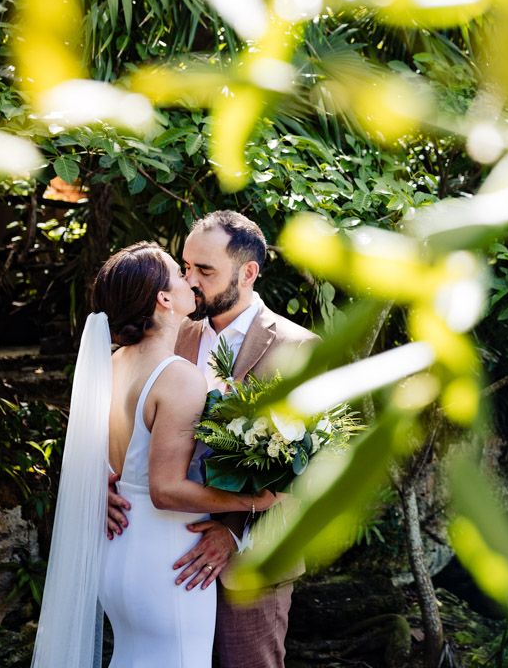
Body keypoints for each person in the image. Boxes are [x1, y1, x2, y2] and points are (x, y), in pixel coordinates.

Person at [31, 242, 279, 668]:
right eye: (180, 274)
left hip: (119, 549)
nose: (190, 281)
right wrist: (255, 500)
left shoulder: (112, 364)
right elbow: (165, 490)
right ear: (164, 299)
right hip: (169, 561)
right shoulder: (177, 375)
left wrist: (99, 485)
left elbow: (111, 460)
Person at [107, 211, 318, 668]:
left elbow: (312, 469)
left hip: (249, 566)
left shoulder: (299, 349)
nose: (191, 280)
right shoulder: (168, 332)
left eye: (205, 270)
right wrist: (105, 482)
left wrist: (234, 534)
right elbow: (126, 419)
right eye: (186, 267)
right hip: (164, 556)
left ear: (248, 273)